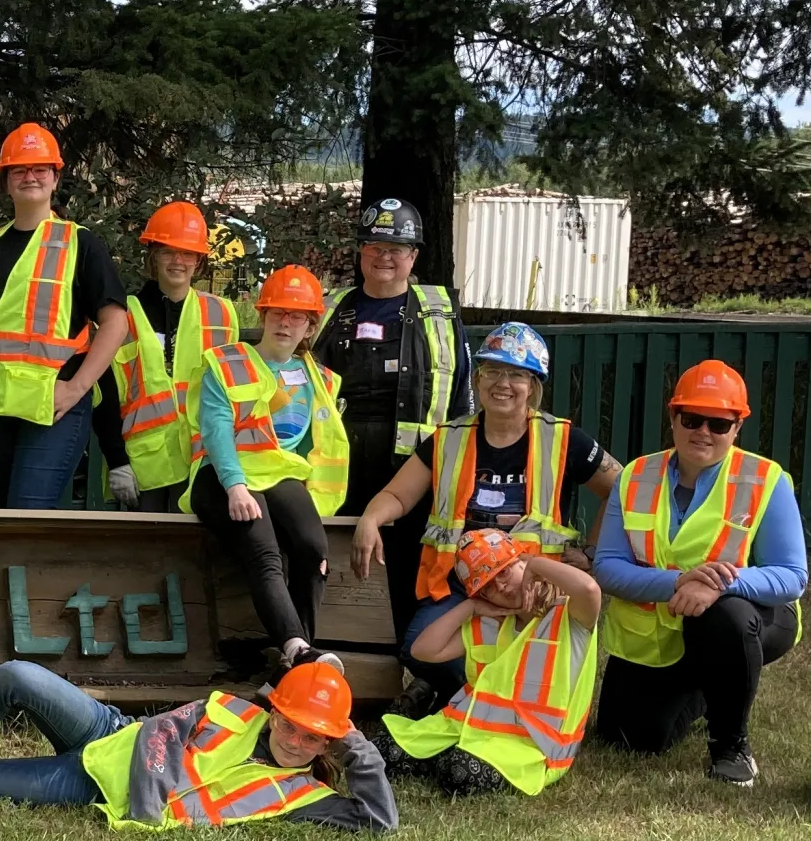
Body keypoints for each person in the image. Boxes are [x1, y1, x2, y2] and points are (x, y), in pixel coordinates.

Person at [0, 658, 396, 832]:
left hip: (90, 787)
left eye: (312, 735)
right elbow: (159, 733)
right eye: (290, 722)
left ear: (327, 742)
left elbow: (380, 822)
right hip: (113, 736)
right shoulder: (231, 708)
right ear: (274, 712)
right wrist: (149, 812)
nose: (295, 739)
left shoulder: (302, 794)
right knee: (17, 677)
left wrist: (355, 742)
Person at [350, 322, 619, 707]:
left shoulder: (563, 439)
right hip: (462, 583)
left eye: (516, 374)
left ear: (534, 386)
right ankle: (467, 692)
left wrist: (592, 554)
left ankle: (501, 696)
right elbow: (397, 493)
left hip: (530, 585)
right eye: (492, 371)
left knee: (532, 655)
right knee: (417, 648)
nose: (502, 383)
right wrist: (371, 518)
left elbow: (623, 491)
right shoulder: (449, 437)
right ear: (477, 379)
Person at [590, 358, 807, 785]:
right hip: (662, 630)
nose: (703, 432)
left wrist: (720, 583)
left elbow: (791, 575)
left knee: (725, 618)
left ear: (736, 428)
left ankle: (731, 744)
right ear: (673, 417)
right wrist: (678, 582)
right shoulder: (635, 476)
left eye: (718, 424)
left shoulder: (767, 478)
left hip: (747, 618)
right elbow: (607, 566)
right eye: (692, 419)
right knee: (628, 739)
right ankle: (708, 687)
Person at [309, 197, 471, 639]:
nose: (385, 257)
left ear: (413, 256)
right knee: (332, 558)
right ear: (361, 251)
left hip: (416, 470)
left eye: (396, 249)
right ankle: (329, 650)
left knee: (410, 571)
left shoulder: (439, 313)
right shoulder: (330, 309)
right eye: (375, 247)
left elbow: (462, 393)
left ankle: (409, 660)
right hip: (338, 467)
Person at [0, 123, 130, 509]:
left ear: (55, 178)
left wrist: (77, 388)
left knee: (28, 514)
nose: (30, 177)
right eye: (19, 169)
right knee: (7, 516)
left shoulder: (80, 243)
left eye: (40, 169)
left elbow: (116, 323)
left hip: (54, 405)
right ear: (6, 182)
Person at [190, 264, 351, 675]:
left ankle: (299, 659)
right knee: (266, 553)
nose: (286, 322)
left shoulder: (319, 377)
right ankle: (298, 650)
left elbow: (319, 440)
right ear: (262, 316)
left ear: (310, 327)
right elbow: (217, 429)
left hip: (279, 474)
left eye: (298, 316)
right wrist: (235, 486)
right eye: (278, 312)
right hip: (223, 477)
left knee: (313, 550)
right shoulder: (226, 363)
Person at [380, 528, 602, 798]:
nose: (501, 587)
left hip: (531, 749)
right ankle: (438, 747)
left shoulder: (568, 615)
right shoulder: (489, 622)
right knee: (384, 751)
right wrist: (469, 608)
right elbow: (423, 650)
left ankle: (441, 754)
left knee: (459, 774)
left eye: (504, 572)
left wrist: (537, 563)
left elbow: (589, 588)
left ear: (521, 562)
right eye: (488, 587)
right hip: (468, 731)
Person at [95, 201, 238, 512]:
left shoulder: (222, 314)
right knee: (148, 557)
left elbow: (237, 395)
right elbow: (104, 395)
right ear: (153, 255)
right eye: (168, 251)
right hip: (144, 466)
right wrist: (117, 460)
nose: (178, 260)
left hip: (205, 460)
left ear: (199, 260)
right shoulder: (123, 315)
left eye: (187, 253)